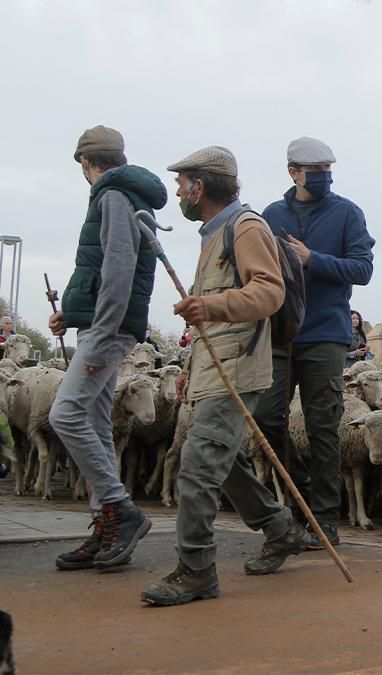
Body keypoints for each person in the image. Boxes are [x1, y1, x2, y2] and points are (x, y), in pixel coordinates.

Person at [140, 146, 307, 606]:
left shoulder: (245, 227)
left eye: (182, 184)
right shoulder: (213, 235)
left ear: (200, 186)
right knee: (223, 459)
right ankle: (279, 527)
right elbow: (208, 319)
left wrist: (209, 305)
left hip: (237, 369)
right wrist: (188, 368)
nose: (178, 192)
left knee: (197, 465)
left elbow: (269, 292)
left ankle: (196, 570)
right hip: (214, 368)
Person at [49, 125, 167, 572]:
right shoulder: (120, 195)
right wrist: (74, 313)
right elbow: (99, 266)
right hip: (101, 322)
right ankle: (107, 525)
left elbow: (119, 265)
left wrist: (102, 326)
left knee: (65, 414)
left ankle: (121, 509)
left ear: (85, 161)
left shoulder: (113, 196)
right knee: (96, 424)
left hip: (108, 327)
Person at [253, 136, 375, 547]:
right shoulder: (271, 215)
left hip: (325, 334)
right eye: (316, 170)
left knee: (323, 427)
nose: (324, 176)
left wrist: (312, 259)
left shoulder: (347, 213)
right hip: (279, 334)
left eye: (327, 169)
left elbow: (362, 269)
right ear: (294, 172)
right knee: (266, 418)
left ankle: (323, 519)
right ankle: (302, 496)